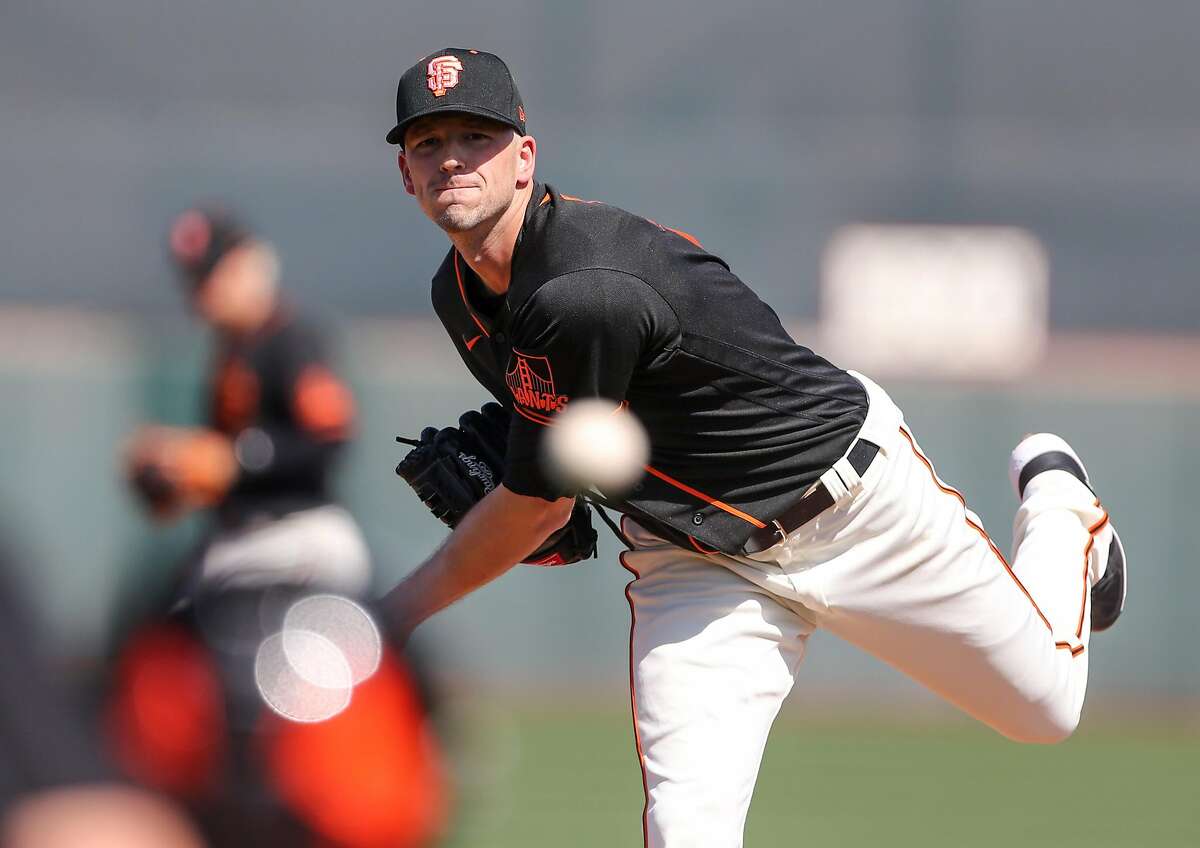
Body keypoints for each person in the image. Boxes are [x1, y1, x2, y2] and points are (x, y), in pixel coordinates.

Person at [380, 48, 1127, 847]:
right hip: (696, 562)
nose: (451, 158)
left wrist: (388, 619)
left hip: (852, 506)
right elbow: (562, 451)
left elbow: (536, 505)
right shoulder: (456, 295)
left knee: (1045, 709)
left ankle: (1058, 499)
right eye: (427, 142)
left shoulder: (583, 288)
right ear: (405, 173)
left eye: (475, 135)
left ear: (524, 158)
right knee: (687, 831)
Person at [123, 208, 370, 597]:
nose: (203, 292)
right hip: (246, 541)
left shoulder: (292, 338)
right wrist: (172, 472)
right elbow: (218, 466)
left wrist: (237, 459)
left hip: (300, 536)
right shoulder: (232, 348)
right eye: (195, 280)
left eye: (214, 274)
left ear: (252, 264)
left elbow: (329, 440)